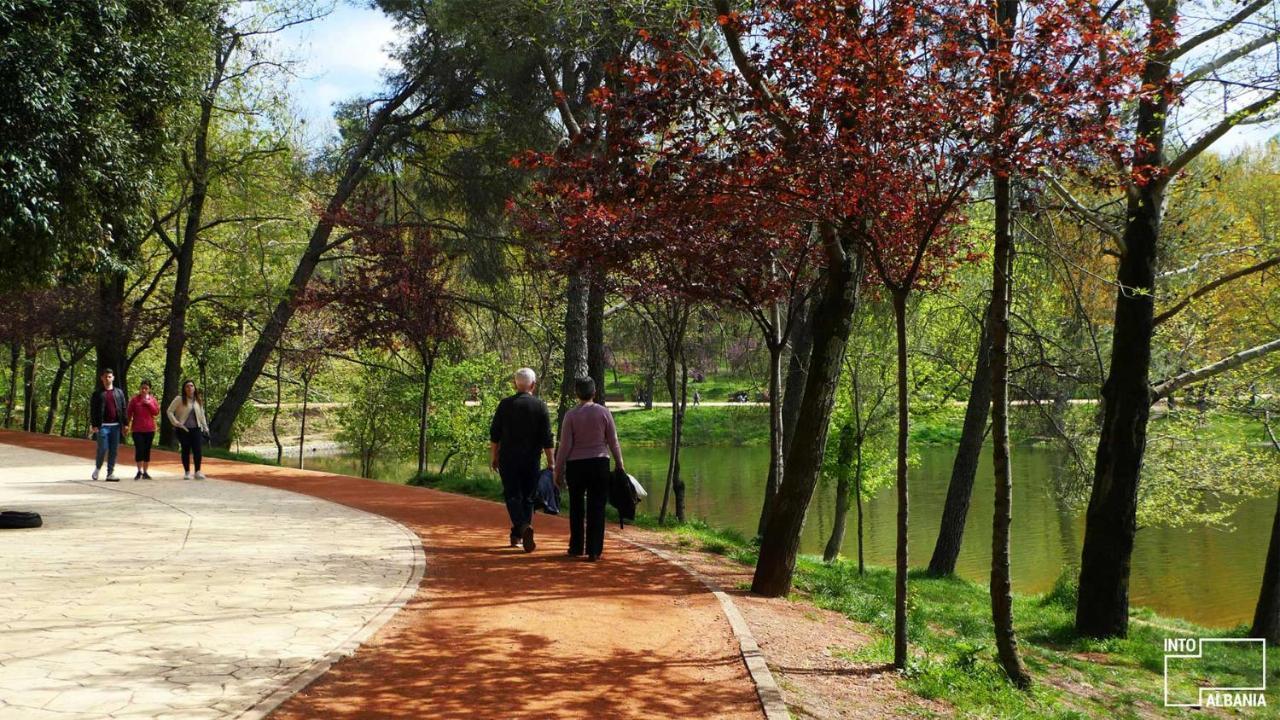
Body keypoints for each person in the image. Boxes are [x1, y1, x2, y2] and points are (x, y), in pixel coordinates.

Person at [554, 377, 625, 561]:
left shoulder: (570, 415)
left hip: (576, 465)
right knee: (597, 506)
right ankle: (594, 549)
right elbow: (613, 441)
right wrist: (619, 463)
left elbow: (565, 446)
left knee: (576, 505)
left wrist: (557, 469)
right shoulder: (604, 413)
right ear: (594, 393)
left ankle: (576, 546)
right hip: (599, 463)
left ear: (577, 394)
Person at [489, 367, 554, 552]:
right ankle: (519, 533)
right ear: (533, 385)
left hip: (508, 458)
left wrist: (494, 455)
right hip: (531, 459)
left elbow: (495, 433)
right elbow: (546, 437)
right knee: (528, 497)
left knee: (512, 495)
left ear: (514, 384)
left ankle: (521, 529)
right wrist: (552, 462)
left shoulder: (505, 405)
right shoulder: (540, 406)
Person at [88, 368, 127, 482]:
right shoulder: (97, 393)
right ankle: (97, 468)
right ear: (102, 378)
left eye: (109, 376)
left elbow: (123, 408)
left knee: (114, 450)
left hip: (115, 426)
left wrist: (125, 423)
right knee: (103, 448)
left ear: (113, 378)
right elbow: (93, 410)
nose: (107, 379)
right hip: (102, 426)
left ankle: (110, 473)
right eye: (105, 377)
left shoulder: (119, 392)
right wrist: (94, 424)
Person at [167, 379, 210, 480]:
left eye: (191, 386)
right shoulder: (179, 399)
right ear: (184, 389)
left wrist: (205, 427)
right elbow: (169, 411)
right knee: (185, 450)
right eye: (187, 386)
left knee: (198, 450)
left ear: (194, 388)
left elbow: (202, 415)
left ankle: (198, 472)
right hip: (184, 429)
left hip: (196, 429)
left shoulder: (198, 400)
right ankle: (187, 472)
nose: (189, 388)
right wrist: (175, 422)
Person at [126, 380, 160, 479]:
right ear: (140, 388)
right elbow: (129, 413)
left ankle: (145, 472)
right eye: (142, 388)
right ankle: (139, 471)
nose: (144, 390)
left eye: (146, 388)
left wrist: (149, 403)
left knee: (147, 450)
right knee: (139, 449)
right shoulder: (134, 400)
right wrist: (126, 425)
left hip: (150, 429)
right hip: (137, 430)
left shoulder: (153, 400)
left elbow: (156, 412)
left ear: (149, 389)